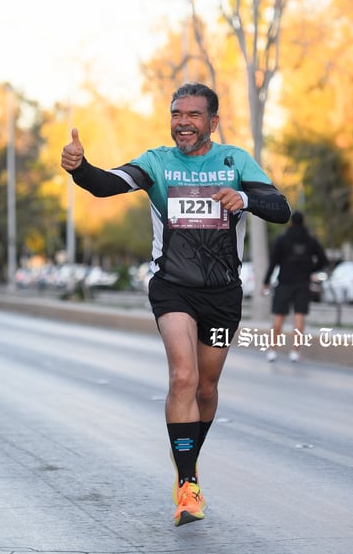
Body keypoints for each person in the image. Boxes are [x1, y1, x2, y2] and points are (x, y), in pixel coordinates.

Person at [60, 82, 291, 526]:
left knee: (206, 387)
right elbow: (107, 184)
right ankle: (187, 488)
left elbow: (280, 207)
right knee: (182, 376)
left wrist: (242, 197)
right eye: (176, 114)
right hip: (173, 287)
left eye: (193, 115)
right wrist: (80, 168)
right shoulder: (158, 162)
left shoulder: (234, 160)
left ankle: (189, 466)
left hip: (224, 294)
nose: (183, 122)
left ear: (213, 122)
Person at [262, 211, 328, 363]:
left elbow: (273, 263)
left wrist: (266, 282)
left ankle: (272, 350)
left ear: (291, 223)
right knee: (299, 317)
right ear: (303, 223)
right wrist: (310, 269)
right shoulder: (310, 241)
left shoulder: (282, 240)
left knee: (279, 316)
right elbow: (323, 260)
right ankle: (294, 351)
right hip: (303, 283)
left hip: (284, 282)